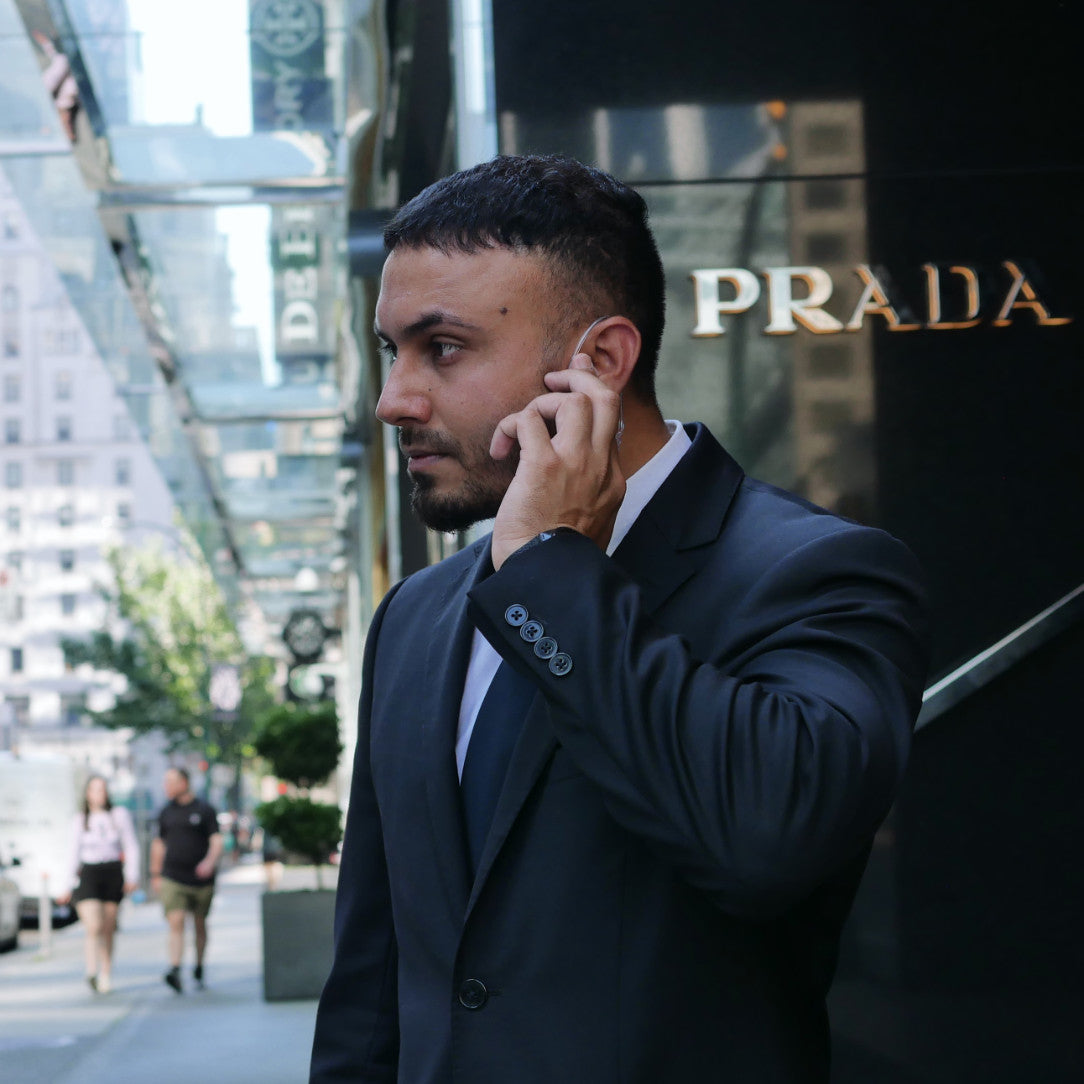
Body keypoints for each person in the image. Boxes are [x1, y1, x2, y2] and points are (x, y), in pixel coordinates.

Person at [310, 155, 929, 1083]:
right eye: (389, 349)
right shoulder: (416, 616)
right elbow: (372, 981)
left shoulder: (815, 572)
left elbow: (765, 839)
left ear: (598, 362)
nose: (394, 398)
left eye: (442, 347)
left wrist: (554, 571)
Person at [57, 775, 140, 994]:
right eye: (94, 790)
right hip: (89, 873)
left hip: (112, 872)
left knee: (108, 927)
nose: (98, 794)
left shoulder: (118, 815)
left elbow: (131, 846)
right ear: (87, 794)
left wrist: (132, 875)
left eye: (102, 789)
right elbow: (72, 853)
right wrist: (66, 884)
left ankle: (106, 972)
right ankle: (91, 970)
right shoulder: (80, 819)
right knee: (93, 925)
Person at [149, 767, 222, 994]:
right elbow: (159, 843)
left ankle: (199, 967)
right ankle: (175, 968)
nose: (166, 786)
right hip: (173, 876)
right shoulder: (165, 812)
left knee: (199, 923)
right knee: (176, 921)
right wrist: (155, 872)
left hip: (201, 879)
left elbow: (217, 840)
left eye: (171, 781)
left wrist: (209, 862)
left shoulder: (205, 809)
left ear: (184, 782)